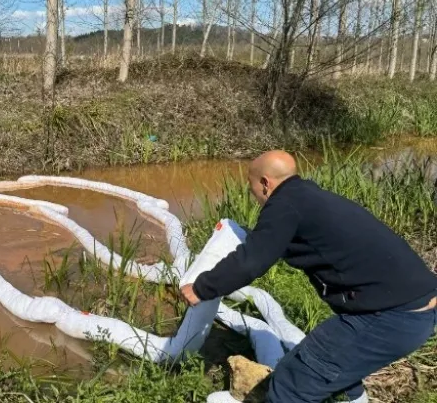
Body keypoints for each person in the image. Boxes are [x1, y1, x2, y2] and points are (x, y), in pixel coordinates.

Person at [179, 150, 437, 403]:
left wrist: (202, 288)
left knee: (291, 385)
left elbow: (252, 261)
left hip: (389, 318)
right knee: (321, 364)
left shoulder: (284, 204)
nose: (253, 193)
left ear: (265, 183)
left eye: (251, 186)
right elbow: (280, 244)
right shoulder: (308, 196)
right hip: (416, 306)